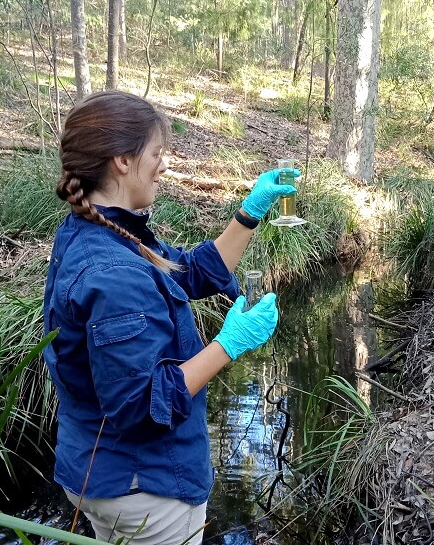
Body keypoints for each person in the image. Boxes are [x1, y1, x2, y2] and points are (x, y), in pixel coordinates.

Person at [42, 90, 296, 544]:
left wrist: (248, 214)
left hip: (99, 470)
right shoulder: (115, 272)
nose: (164, 166)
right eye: (157, 153)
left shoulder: (103, 231)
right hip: (144, 486)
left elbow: (190, 272)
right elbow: (141, 407)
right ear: (122, 159)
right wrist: (228, 344)